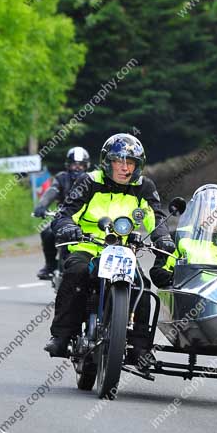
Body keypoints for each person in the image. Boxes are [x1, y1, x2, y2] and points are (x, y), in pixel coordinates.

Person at [44, 133, 174, 359]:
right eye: (119, 161)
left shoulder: (144, 187)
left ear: (138, 166)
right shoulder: (89, 181)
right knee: (76, 273)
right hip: (88, 248)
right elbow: (65, 213)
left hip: (122, 253)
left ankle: (140, 349)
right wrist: (68, 227)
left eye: (131, 163)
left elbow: (156, 217)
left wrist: (162, 238)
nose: (125, 168)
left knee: (142, 288)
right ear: (107, 161)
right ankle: (62, 336)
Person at [150, 183, 217, 290]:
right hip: (188, 298)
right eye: (205, 209)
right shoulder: (178, 237)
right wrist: (181, 281)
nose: (211, 215)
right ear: (196, 211)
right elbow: (158, 272)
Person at [33, 147, 90, 280]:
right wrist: (42, 205)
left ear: (86, 166)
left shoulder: (91, 179)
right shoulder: (61, 178)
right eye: (74, 164)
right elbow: (51, 192)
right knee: (47, 233)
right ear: (68, 165)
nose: (77, 168)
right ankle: (50, 265)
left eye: (81, 165)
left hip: (85, 220)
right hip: (63, 218)